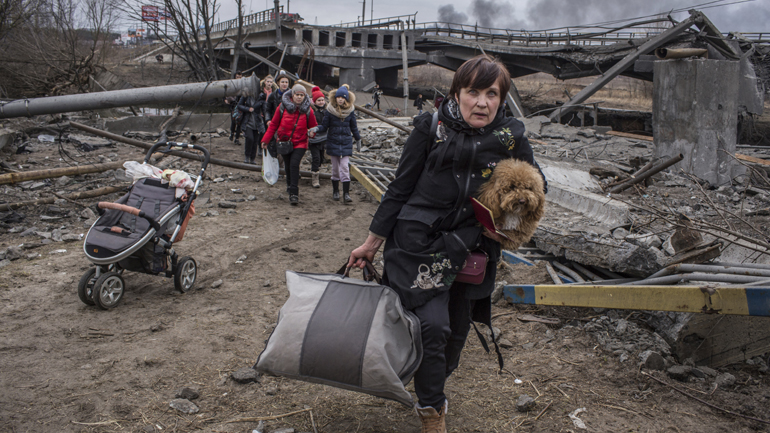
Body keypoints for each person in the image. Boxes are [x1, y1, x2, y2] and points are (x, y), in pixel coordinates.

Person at [347, 55, 546, 433]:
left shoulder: (511, 136)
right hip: (418, 243)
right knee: (432, 328)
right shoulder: (430, 126)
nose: (482, 102)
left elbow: (536, 189)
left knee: (454, 334)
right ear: (457, 92)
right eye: (473, 92)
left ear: (502, 98)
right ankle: (431, 410)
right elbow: (400, 187)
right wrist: (371, 243)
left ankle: (430, 380)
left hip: (472, 248)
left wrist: (507, 227)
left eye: (492, 93)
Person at [262, 84, 318, 205]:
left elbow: (313, 126)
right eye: (297, 94)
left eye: (301, 95)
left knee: (294, 164)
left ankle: (294, 193)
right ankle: (289, 185)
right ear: (292, 95)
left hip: (301, 142)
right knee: (287, 165)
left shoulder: (308, 110)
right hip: (284, 142)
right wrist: (265, 140)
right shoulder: (282, 107)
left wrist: (312, 133)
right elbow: (273, 125)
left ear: (304, 96)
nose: (299, 97)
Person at [310, 84, 361, 203]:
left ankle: (346, 194)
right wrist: (316, 128)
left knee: (344, 167)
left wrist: (358, 139)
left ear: (346, 99)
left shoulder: (350, 111)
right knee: (335, 169)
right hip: (333, 142)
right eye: (338, 97)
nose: (340, 99)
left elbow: (354, 127)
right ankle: (336, 191)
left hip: (346, 142)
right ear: (335, 98)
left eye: (343, 97)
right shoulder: (330, 111)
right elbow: (325, 126)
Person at [237, 87, 265, 165]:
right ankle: (247, 156)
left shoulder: (261, 97)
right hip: (247, 122)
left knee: (255, 141)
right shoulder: (246, 95)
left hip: (257, 123)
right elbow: (239, 105)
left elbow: (264, 107)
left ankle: (253, 158)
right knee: (250, 138)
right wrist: (247, 109)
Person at [308, 86, 328, 189]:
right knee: (316, 158)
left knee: (320, 159)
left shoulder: (326, 112)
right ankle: (315, 178)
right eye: (318, 100)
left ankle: (316, 171)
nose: (321, 102)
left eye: (322, 100)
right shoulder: (311, 112)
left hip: (323, 138)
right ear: (314, 101)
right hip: (313, 139)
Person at [225, 71, 244, 144]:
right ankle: (232, 133)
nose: (239, 78)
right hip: (233, 105)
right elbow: (225, 94)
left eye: (240, 77)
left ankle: (237, 138)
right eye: (237, 77)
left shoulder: (243, 85)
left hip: (241, 105)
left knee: (239, 121)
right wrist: (225, 100)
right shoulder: (231, 85)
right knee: (234, 121)